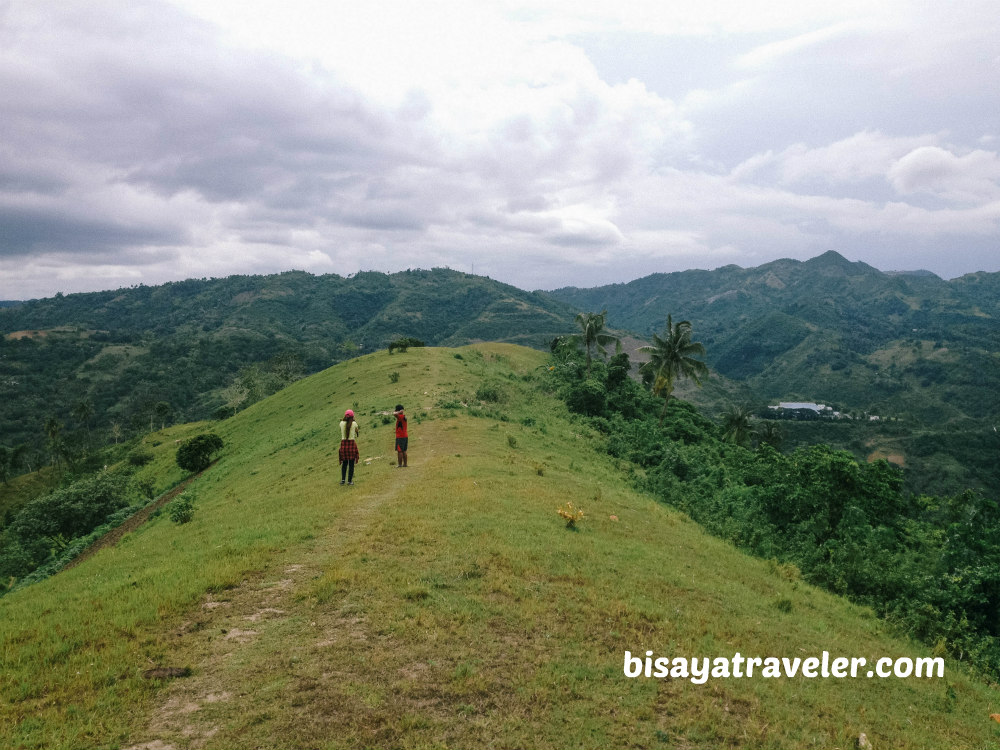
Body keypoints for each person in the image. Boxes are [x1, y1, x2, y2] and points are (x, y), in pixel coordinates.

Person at [339, 409, 360, 485]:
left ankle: (343, 480)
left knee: (344, 463)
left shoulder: (341, 423)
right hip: (351, 444)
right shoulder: (354, 423)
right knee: (351, 464)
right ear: (352, 416)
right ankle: (350, 481)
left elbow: (342, 427)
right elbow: (357, 430)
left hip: (344, 444)